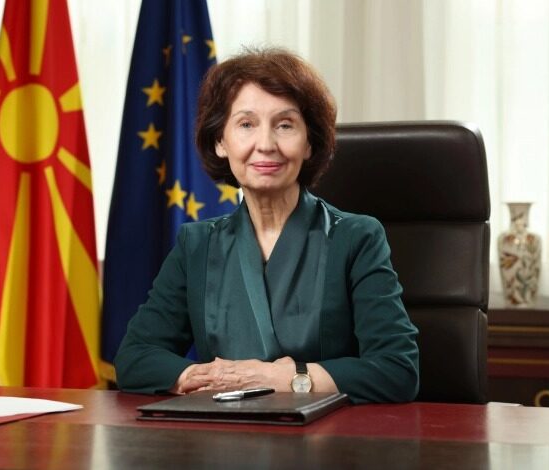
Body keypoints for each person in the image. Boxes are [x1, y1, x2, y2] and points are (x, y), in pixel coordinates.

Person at [114, 48, 419, 403]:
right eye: (246, 125)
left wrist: (286, 378)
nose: (265, 145)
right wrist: (201, 377)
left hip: (325, 433)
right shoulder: (196, 245)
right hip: (223, 432)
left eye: (285, 125)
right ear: (220, 142)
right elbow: (135, 357)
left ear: (309, 143)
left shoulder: (356, 237)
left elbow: (396, 370)